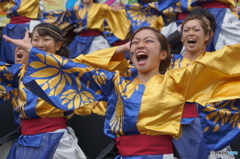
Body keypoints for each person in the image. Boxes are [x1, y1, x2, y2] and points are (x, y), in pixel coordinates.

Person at [4, 25, 240, 159]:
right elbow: (75, 69)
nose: (140, 45)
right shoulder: (115, 84)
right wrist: (36, 54)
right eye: (135, 42)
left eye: (148, 41)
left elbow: (223, 61)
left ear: (164, 54)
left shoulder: (178, 80)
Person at [0, 23, 88, 159]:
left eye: (46, 39)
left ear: (58, 46)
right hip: (25, 141)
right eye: (35, 40)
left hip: (55, 140)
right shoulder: (20, 72)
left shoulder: (66, 69)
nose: (40, 44)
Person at [171, 15, 235, 159]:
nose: (190, 33)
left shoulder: (217, 63)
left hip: (212, 127)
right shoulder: (168, 63)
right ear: (182, 37)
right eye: (186, 30)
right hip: (175, 129)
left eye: (196, 29)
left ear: (207, 35)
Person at [41, 0, 130, 58]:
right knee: (70, 61)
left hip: (96, 41)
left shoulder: (101, 8)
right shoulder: (76, 9)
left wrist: (125, 8)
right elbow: (61, 16)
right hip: (79, 41)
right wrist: (43, 20)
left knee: (99, 59)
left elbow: (118, 15)